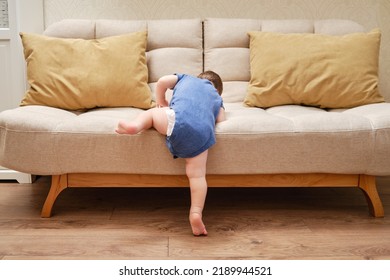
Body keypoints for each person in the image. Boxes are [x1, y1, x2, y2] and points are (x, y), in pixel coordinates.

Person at [116, 71, 225, 236]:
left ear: (198, 78)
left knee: (152, 114)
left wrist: (161, 101)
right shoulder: (217, 99)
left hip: (177, 119)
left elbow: (162, 82)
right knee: (197, 176)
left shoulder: (186, 78)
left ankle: (135, 127)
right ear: (217, 91)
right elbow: (221, 120)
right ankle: (196, 213)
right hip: (203, 133)